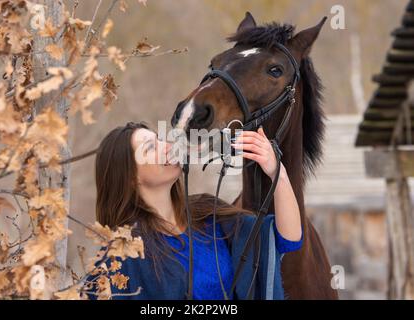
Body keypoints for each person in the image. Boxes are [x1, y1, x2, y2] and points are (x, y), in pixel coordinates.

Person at [84, 121, 303, 300]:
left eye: (160, 140)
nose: (167, 146)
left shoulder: (209, 214)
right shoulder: (124, 252)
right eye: (150, 147)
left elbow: (286, 239)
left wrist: (277, 173)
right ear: (130, 178)